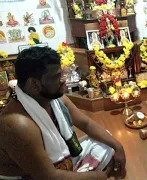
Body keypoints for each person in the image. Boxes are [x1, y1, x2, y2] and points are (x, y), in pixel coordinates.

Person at [0, 47, 126, 179]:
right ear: (34, 83)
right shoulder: (18, 124)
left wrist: (118, 147)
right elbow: (50, 177)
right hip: (33, 176)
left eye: (62, 74)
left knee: (106, 141)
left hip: (57, 166)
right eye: (57, 76)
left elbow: (86, 124)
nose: (63, 80)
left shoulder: (56, 99)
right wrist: (97, 177)